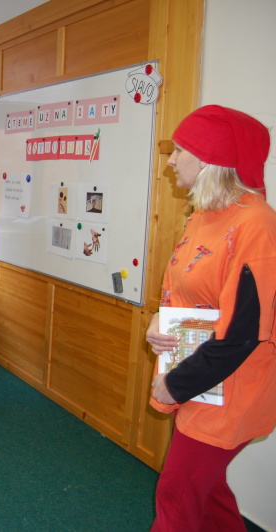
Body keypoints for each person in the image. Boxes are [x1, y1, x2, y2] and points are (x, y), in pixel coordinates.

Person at [145, 105, 276, 532]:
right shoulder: (204, 214)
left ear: (210, 159)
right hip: (202, 377)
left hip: (230, 387)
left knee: (177, 496)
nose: (171, 161)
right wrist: (159, 318)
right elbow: (192, 288)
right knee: (209, 492)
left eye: (179, 150)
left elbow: (243, 335)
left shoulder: (255, 224)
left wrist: (176, 383)